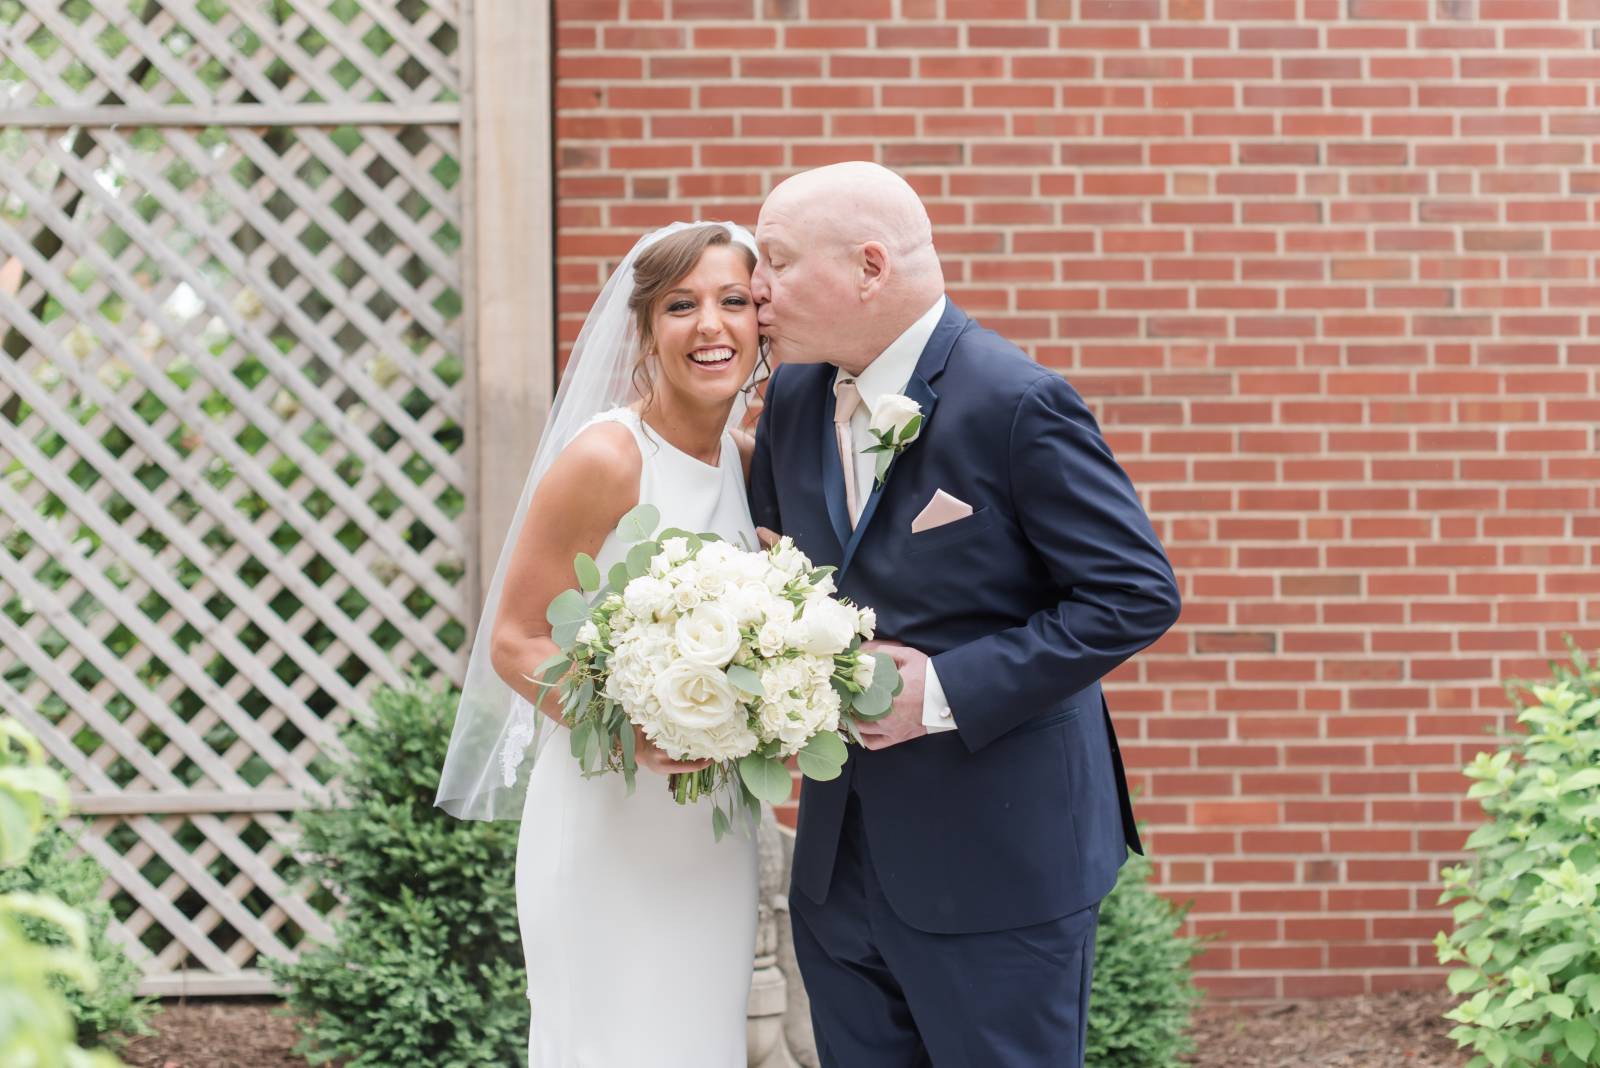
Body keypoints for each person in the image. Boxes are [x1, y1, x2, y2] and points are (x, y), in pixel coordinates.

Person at [748, 162, 1182, 1067]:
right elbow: (776, 574)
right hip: (837, 865)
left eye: (777, 263)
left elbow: (1135, 594)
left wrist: (939, 689)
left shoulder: (1016, 402)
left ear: (871, 267)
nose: (757, 288)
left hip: (1000, 863)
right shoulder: (791, 397)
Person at [436, 222, 766, 1066]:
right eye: (682, 305)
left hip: (712, 830)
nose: (711, 326)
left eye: (734, 301)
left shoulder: (745, 459)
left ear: (762, 322)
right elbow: (514, 638)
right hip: (604, 810)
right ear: (647, 330)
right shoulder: (609, 457)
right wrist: (632, 731)